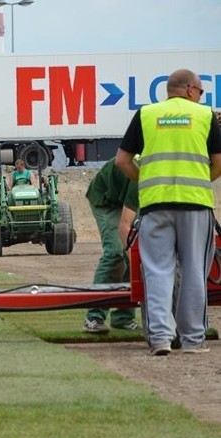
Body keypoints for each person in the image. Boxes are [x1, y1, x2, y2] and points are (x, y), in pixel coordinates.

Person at [115, 68, 221, 356]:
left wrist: (148, 181)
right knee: (194, 272)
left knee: (158, 271)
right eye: (200, 92)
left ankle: (160, 339)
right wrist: (198, 181)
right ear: (190, 90)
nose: (201, 97)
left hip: (155, 206)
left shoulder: (146, 115)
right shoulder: (205, 116)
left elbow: (122, 161)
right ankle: (192, 340)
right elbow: (218, 162)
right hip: (195, 205)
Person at [83, 158, 141, 333]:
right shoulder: (141, 174)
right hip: (106, 200)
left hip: (127, 199)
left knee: (136, 254)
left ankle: (123, 317)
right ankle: (94, 317)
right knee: (116, 252)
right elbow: (124, 226)